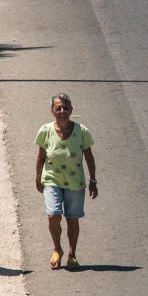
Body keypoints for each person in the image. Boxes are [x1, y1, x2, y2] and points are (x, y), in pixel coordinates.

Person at [35, 94, 97, 270]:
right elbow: (41, 156)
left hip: (75, 182)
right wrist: (38, 176)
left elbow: (89, 157)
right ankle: (57, 249)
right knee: (53, 214)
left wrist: (93, 180)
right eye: (58, 108)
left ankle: (72, 254)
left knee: (72, 219)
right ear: (52, 110)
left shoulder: (82, 131)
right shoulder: (45, 131)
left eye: (66, 108)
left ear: (71, 110)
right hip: (52, 179)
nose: (62, 111)